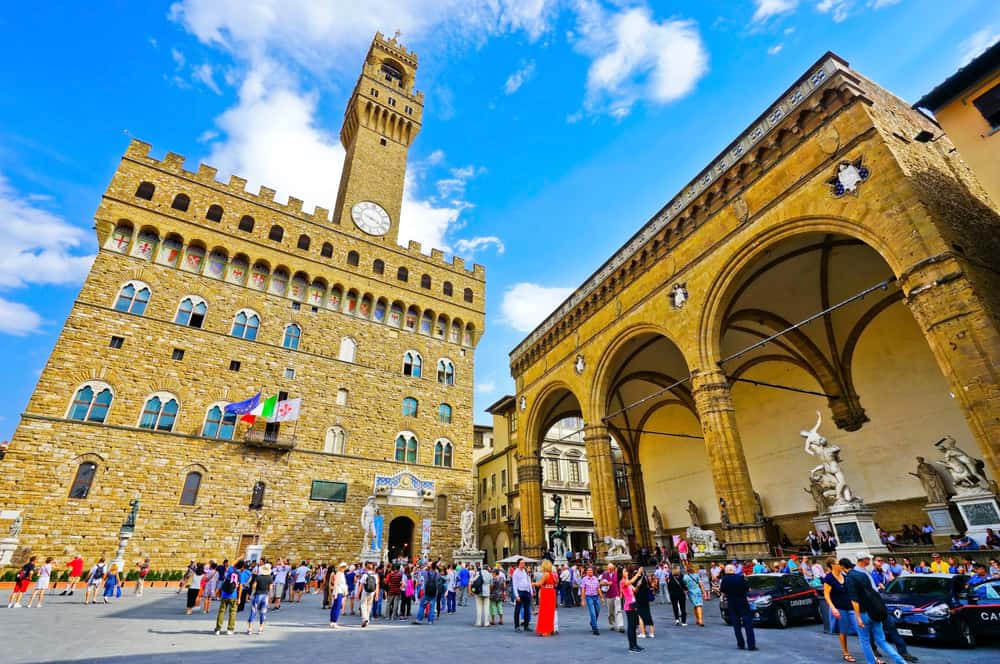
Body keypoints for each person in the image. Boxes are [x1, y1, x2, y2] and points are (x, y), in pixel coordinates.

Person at [843, 557, 906, 664]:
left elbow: (854, 600)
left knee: (865, 641)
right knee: (881, 640)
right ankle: (901, 661)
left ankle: (871, 662)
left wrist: (857, 617)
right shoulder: (865, 574)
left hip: (864, 612)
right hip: (875, 610)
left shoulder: (851, 577)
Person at [823, 557, 857, 663]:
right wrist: (833, 608)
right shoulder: (829, 578)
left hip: (850, 606)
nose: (841, 565)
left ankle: (870, 652)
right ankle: (846, 653)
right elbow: (826, 595)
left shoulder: (844, 576)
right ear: (832, 565)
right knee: (842, 631)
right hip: (839, 607)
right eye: (838, 563)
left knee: (859, 628)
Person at [720, 563, 756, 650]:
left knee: (736, 625)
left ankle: (740, 644)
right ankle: (751, 645)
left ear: (726, 571)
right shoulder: (740, 577)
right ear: (733, 570)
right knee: (748, 623)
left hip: (732, 603)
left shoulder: (724, 580)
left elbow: (723, 592)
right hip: (742, 602)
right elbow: (749, 589)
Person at [214, 560, 241, 635]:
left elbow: (232, 563)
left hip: (224, 594)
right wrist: (239, 597)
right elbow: (240, 587)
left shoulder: (230, 570)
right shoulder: (239, 573)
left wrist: (239, 558)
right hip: (233, 595)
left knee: (221, 611)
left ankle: (218, 629)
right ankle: (230, 629)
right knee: (232, 612)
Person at [620, 564, 642, 653]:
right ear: (622, 574)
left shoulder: (628, 581)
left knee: (634, 626)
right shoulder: (622, 582)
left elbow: (634, 590)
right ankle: (631, 646)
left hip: (633, 604)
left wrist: (638, 585)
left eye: (626, 571)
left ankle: (635, 645)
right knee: (631, 626)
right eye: (625, 572)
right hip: (628, 606)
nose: (626, 573)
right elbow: (631, 582)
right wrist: (637, 574)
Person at [247, 561, 273, 635]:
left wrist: (253, 592)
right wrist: (270, 596)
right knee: (263, 612)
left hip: (258, 594)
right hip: (265, 595)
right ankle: (260, 628)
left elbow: (254, 586)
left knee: (253, 611)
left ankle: (250, 628)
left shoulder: (258, 577)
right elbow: (270, 588)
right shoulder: (270, 578)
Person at [534, 559, 558, 636]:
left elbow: (539, 583)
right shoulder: (552, 574)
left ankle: (545, 630)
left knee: (544, 612)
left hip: (546, 592)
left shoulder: (546, 574)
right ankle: (550, 630)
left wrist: (532, 583)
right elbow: (556, 583)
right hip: (551, 592)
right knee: (550, 612)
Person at [600, 563, 624, 632]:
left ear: (613, 568)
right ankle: (612, 624)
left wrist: (621, 593)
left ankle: (620, 625)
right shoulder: (605, 574)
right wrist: (607, 583)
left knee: (618, 610)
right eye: (608, 568)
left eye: (610, 568)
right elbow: (601, 583)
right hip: (608, 595)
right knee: (610, 612)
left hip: (616, 594)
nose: (609, 570)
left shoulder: (617, 574)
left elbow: (621, 583)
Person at [633, 566, 655, 638]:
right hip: (646, 598)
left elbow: (634, 589)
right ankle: (651, 633)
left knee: (640, 616)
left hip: (639, 599)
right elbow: (650, 587)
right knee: (648, 614)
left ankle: (643, 633)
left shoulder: (636, 579)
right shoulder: (645, 578)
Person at [511, 558, 533, 632]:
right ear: (518, 564)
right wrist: (516, 595)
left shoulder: (526, 571)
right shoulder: (515, 572)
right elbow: (514, 584)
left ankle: (526, 626)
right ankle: (516, 626)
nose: (524, 564)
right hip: (520, 591)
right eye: (522, 563)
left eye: (524, 563)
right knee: (517, 609)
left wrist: (531, 591)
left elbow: (529, 581)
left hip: (526, 591)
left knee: (527, 609)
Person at [580, 565, 603, 635]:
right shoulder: (584, 579)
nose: (590, 572)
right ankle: (595, 629)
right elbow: (583, 590)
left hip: (596, 597)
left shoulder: (595, 578)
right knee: (592, 613)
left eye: (591, 571)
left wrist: (601, 597)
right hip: (589, 597)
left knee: (597, 611)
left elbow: (598, 588)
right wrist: (583, 600)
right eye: (589, 571)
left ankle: (592, 622)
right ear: (586, 572)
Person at [683, 563, 706, 627]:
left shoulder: (685, 577)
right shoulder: (696, 575)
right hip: (698, 591)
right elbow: (701, 584)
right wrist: (704, 592)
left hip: (690, 593)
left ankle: (698, 619)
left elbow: (684, 586)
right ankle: (700, 620)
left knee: (695, 605)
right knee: (699, 605)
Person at [358, 562, 378, 627]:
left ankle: (365, 619)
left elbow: (361, 585)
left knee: (363, 605)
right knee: (369, 606)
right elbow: (377, 586)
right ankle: (367, 620)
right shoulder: (375, 575)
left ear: (366, 568)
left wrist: (358, 593)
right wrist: (377, 595)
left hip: (365, 592)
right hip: (372, 592)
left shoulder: (364, 575)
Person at [329, 562, 348, 628]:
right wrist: (336, 593)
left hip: (340, 592)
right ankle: (334, 622)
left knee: (335, 607)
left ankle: (332, 621)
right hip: (338, 592)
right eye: (343, 567)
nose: (344, 568)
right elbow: (336, 583)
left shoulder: (341, 574)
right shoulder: (339, 574)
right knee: (337, 607)